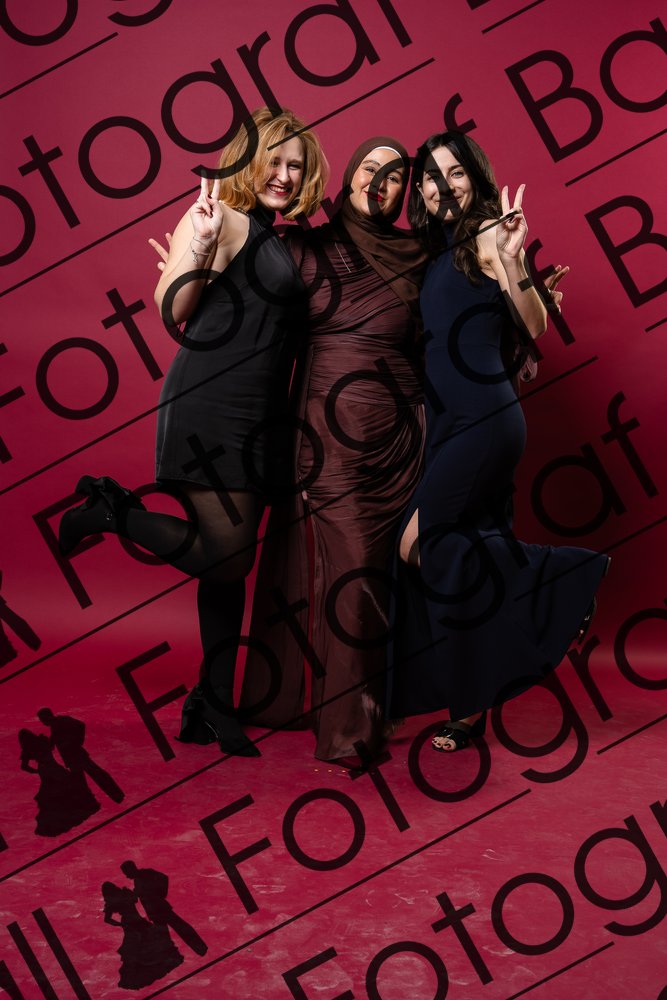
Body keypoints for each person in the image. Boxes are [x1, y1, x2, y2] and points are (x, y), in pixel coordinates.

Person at [58, 108, 328, 757]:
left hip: (261, 414)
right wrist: (200, 248)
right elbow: (171, 308)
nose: (285, 175)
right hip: (212, 402)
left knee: (227, 570)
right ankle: (111, 510)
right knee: (227, 556)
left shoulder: (275, 236)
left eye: (296, 165)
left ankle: (213, 701)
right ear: (246, 161)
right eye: (273, 160)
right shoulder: (220, 216)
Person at [389, 130, 609, 751]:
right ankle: (469, 707)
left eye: (455, 172)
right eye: (430, 176)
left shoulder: (489, 234)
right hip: (449, 424)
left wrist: (514, 262)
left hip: (484, 420)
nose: (442, 185)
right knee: (466, 555)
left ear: (476, 177)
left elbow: (535, 321)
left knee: (417, 544)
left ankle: (562, 578)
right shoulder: (438, 252)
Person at [239, 137, 429, 767]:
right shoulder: (304, 248)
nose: (380, 181)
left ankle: (379, 703)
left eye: (394, 176)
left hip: (399, 442)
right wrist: (195, 264)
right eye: (370, 168)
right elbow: (249, 324)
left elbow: (452, 340)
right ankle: (347, 727)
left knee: (383, 578)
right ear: (349, 177)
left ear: (404, 193)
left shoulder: (423, 255)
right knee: (351, 575)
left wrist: (521, 302)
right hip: (326, 441)